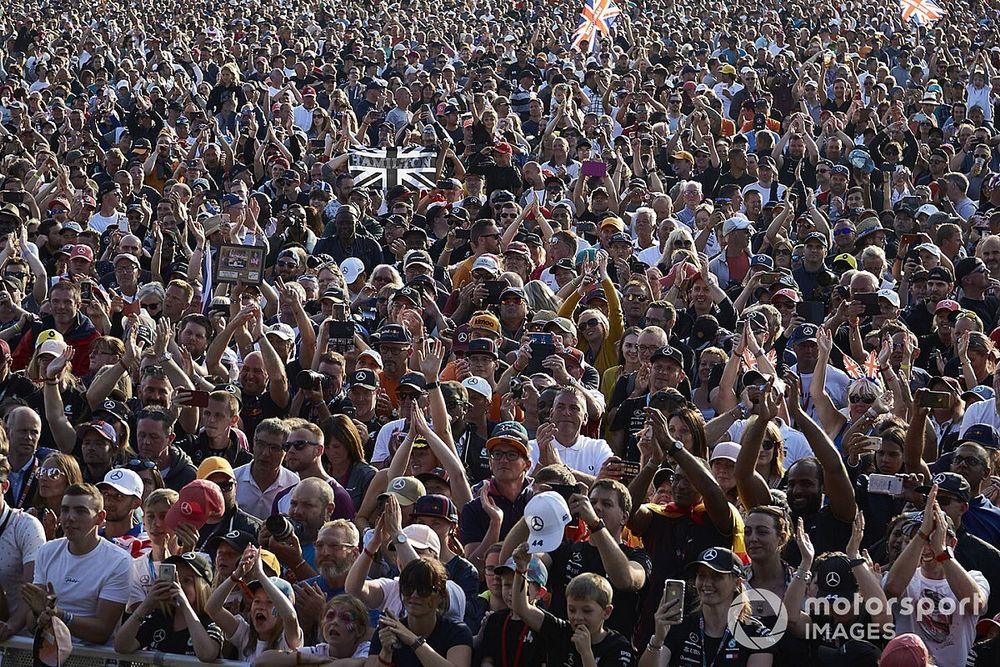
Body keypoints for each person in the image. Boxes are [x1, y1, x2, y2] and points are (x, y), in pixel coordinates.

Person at [23, 483, 133, 644]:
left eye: (80, 511)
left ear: (100, 518)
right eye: (65, 510)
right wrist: (37, 612)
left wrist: (59, 615)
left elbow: (103, 631)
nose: (70, 517)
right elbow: (31, 626)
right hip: (48, 653)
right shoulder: (47, 551)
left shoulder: (119, 561)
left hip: (93, 659)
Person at [509, 542, 638, 667]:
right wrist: (521, 570)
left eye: (587, 611)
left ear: (606, 612)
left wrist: (586, 653)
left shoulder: (618, 647)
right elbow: (522, 608)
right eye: (572, 610)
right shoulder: (562, 631)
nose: (578, 617)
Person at [642, 547, 773, 667]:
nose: (707, 583)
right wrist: (658, 639)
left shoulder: (756, 635)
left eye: (717, 576)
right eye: (702, 575)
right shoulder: (679, 626)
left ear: (737, 583)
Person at [114, 552, 225, 661]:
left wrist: (185, 606)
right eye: (174, 580)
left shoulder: (212, 620)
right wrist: (146, 605)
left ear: (202, 586)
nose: (178, 586)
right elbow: (122, 646)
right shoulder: (160, 617)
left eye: (187, 581)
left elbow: (207, 655)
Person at [366, 557, 474, 667]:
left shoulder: (456, 632)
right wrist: (386, 653)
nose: (414, 595)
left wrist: (414, 641)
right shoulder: (387, 631)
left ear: (441, 596)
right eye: (408, 588)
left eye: (423, 589)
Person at [206, 544, 304, 661]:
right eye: (257, 601)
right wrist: (237, 575)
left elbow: (290, 617)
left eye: (269, 602)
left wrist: (260, 575)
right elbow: (212, 609)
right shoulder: (244, 634)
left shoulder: (287, 640)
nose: (261, 607)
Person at [0, 454, 47, 642]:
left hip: (20, 642)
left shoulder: (26, 526)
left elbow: (32, 590)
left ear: (4, 486)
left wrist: (9, 627)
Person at [258, 594, 371, 667]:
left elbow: (361, 664)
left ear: (360, 630)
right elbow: (262, 660)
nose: (334, 622)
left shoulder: (367, 649)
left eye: (345, 618)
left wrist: (321, 664)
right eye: (330, 616)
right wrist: (305, 659)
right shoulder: (319, 652)